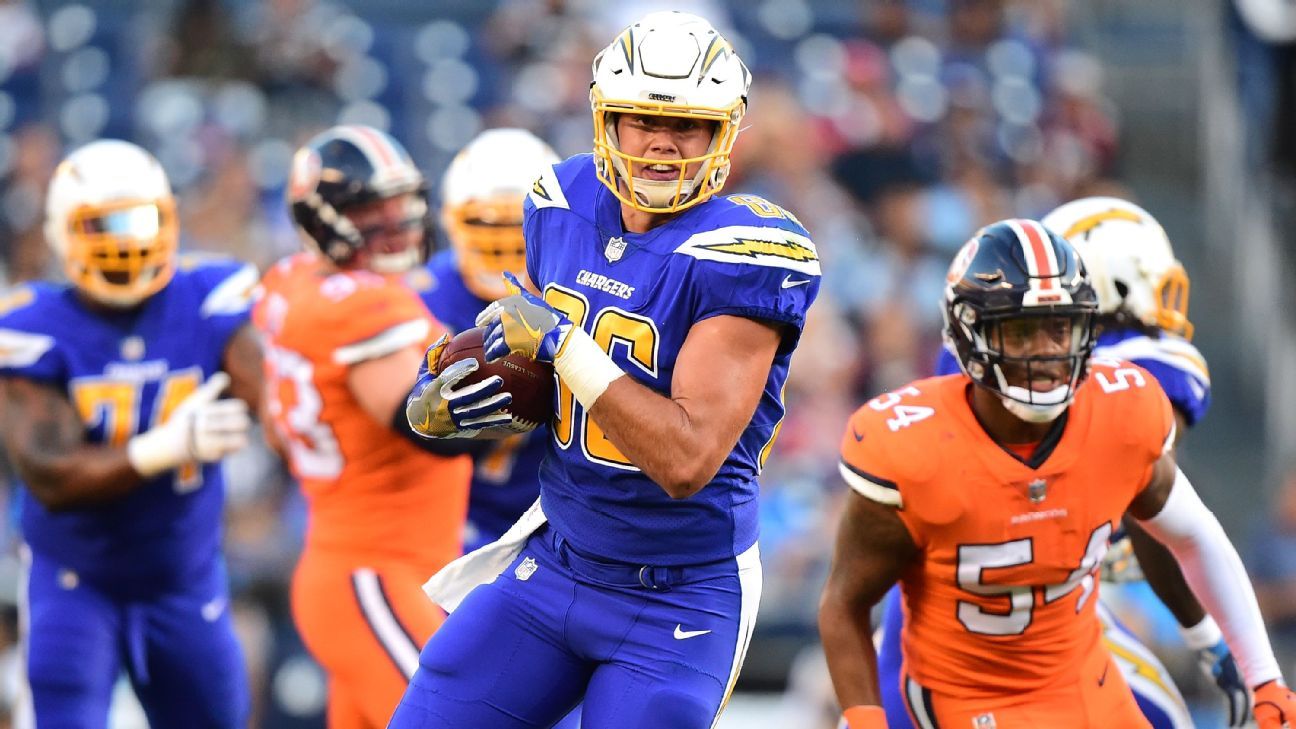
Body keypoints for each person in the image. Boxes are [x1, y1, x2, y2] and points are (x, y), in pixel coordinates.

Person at [395, 11, 821, 728]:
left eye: (688, 125)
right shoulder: (559, 204)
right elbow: (540, 369)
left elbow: (685, 457)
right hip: (557, 559)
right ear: (604, 119)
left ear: (725, 132)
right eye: (639, 119)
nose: (661, 142)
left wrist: (562, 344)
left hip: (677, 596)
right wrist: (455, 384)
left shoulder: (745, 252)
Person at [819, 219, 1296, 728]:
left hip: (1080, 674)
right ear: (970, 335)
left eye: (1060, 327)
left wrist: (1265, 678)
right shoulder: (911, 447)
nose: (1047, 351)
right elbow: (844, 604)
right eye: (1022, 332)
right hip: (966, 693)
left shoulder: (1123, 411)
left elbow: (1195, 536)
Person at [0, 139, 259, 727]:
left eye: (138, 219)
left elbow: (285, 404)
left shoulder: (209, 298)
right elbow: (51, 475)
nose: (123, 241)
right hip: (75, 581)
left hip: (183, 576)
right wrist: (167, 446)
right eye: (100, 225)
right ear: (59, 233)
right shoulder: (31, 325)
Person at [253, 125, 496, 729]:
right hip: (375, 576)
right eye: (369, 210)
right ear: (319, 218)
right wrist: (529, 394)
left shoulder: (290, 285)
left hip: (373, 568)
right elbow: (424, 424)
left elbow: (278, 428)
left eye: (398, 204)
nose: (393, 222)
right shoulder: (366, 307)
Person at [414, 127, 560, 553]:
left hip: (560, 513)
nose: (501, 241)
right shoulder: (426, 297)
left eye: (517, 224)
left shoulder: (577, 290)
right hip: (458, 517)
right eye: (482, 221)